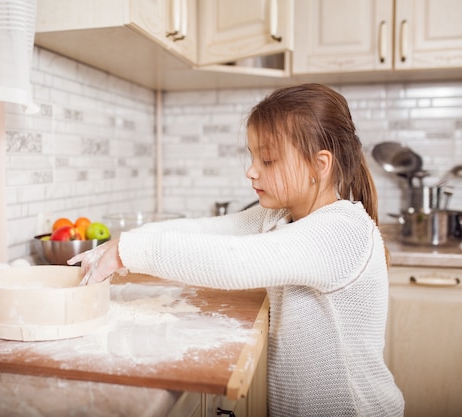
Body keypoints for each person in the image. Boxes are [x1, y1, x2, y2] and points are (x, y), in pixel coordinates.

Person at [69, 83, 405, 416]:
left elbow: (234, 261)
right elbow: (209, 229)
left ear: (320, 165)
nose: (252, 171)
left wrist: (126, 253)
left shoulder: (342, 231)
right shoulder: (277, 216)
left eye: (269, 160)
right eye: (253, 156)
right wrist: (123, 243)